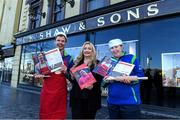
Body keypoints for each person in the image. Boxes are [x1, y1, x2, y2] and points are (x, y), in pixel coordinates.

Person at [35, 32, 73, 119]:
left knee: (58, 115)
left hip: (61, 92)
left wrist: (66, 71)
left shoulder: (69, 58)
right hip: (47, 91)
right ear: (54, 42)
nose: (60, 42)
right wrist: (39, 72)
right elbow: (39, 71)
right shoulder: (46, 56)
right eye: (58, 40)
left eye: (63, 41)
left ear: (65, 43)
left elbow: (72, 76)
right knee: (45, 114)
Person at [104, 38, 144, 119]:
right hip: (112, 102)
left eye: (116, 47)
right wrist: (105, 80)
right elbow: (103, 82)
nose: (114, 49)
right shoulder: (107, 61)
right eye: (112, 48)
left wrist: (130, 79)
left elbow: (140, 76)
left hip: (130, 102)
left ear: (121, 47)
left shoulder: (131, 58)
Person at [70, 41, 102, 119]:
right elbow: (73, 81)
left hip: (91, 99)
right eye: (85, 48)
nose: (87, 50)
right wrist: (72, 77)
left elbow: (100, 80)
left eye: (89, 48)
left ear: (92, 51)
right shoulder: (76, 63)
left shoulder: (98, 64)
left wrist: (92, 85)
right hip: (77, 98)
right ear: (82, 50)